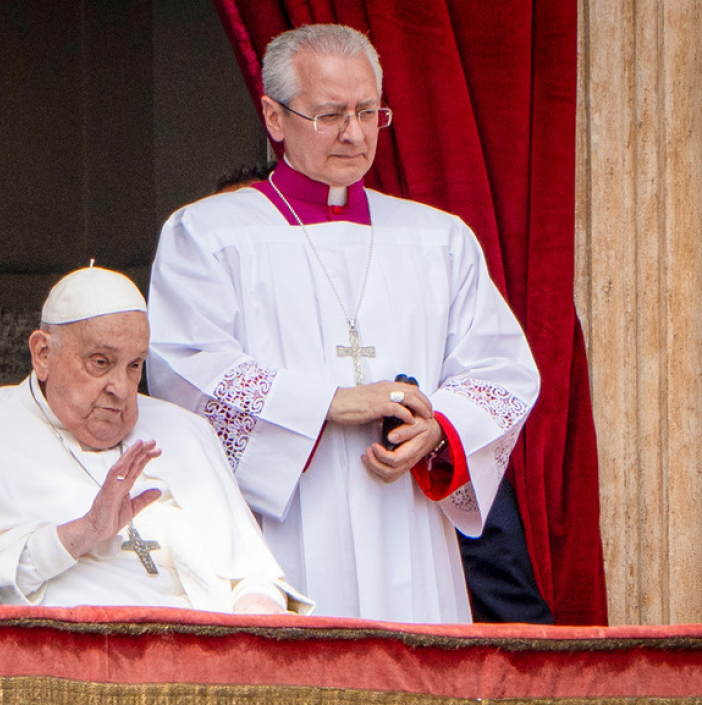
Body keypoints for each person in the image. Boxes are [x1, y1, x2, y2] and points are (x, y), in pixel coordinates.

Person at [148, 24, 540, 624]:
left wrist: (440, 431)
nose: (355, 134)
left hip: (409, 523)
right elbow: (186, 369)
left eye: (368, 112)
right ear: (274, 118)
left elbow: (502, 370)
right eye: (330, 114)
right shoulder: (208, 234)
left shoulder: (438, 239)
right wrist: (329, 402)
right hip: (286, 521)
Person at [0, 266, 309, 615]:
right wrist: (80, 535)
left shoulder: (186, 433)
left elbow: (255, 576)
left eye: (134, 365)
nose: (122, 390)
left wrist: (254, 621)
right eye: (101, 363)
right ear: (43, 354)